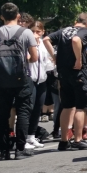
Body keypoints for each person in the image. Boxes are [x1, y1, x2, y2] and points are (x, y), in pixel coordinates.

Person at [0, 2, 39, 160]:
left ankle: (4, 150)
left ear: (1, 16)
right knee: (23, 112)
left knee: (3, 114)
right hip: (21, 78)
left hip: (1, 80)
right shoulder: (26, 33)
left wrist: (3, 65)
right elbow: (34, 57)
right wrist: (23, 60)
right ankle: (20, 149)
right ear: (18, 16)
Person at [44, 13, 87, 151]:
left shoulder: (64, 30)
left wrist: (54, 56)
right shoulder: (84, 30)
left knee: (67, 106)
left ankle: (63, 141)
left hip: (63, 72)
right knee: (81, 105)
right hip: (77, 71)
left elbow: (46, 39)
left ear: (75, 21)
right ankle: (78, 139)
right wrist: (78, 60)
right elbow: (75, 40)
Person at [24, 21, 52, 149]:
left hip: (42, 79)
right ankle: (23, 137)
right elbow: (28, 59)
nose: (36, 34)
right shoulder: (27, 43)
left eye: (38, 31)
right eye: (33, 31)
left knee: (38, 109)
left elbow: (49, 62)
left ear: (43, 32)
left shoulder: (44, 45)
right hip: (30, 79)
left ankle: (31, 136)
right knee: (27, 109)